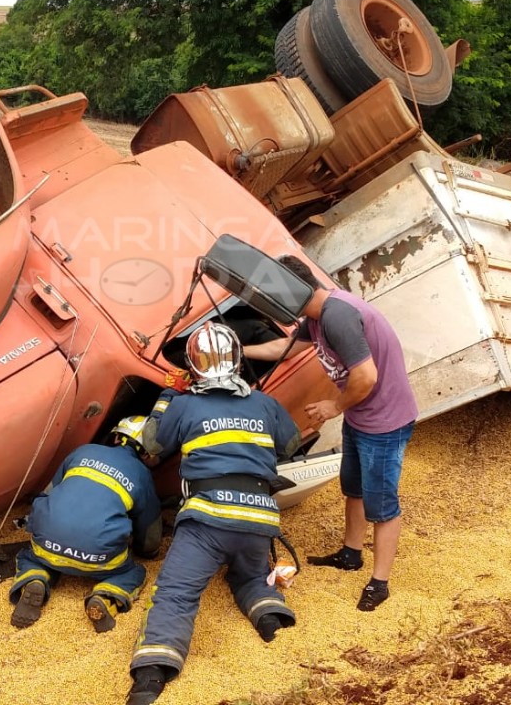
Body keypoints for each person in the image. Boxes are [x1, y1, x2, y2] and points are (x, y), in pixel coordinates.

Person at [126, 322, 302, 705]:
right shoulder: (265, 403)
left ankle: (152, 675)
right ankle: (270, 615)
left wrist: (166, 396)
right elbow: (290, 445)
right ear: (239, 361)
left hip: (206, 521)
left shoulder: (185, 403)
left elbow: (153, 443)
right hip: (259, 520)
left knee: (176, 594)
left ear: (192, 366)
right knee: (249, 573)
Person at [243, 255, 418, 613]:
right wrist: (236, 351)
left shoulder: (337, 315)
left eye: (279, 295)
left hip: (384, 422)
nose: (277, 305)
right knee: (353, 487)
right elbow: (283, 348)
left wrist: (333, 407)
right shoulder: (315, 317)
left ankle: (379, 583)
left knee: (382, 505)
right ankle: (351, 554)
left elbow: (366, 377)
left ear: (296, 289)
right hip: (361, 416)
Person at [9, 416, 163, 633]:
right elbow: (149, 531)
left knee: (30, 557)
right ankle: (105, 596)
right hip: (97, 558)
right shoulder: (142, 474)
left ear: (115, 436)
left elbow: (48, 492)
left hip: (46, 544)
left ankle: (35, 578)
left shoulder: (82, 451)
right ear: (147, 453)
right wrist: (149, 552)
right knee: (132, 573)